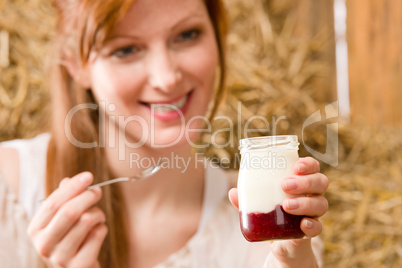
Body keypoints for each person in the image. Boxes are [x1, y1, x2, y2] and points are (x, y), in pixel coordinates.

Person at [0, 0, 329, 267]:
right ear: (76, 65)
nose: (167, 78)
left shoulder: (266, 225)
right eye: (126, 50)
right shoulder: (9, 194)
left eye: (186, 35)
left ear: (218, 35)